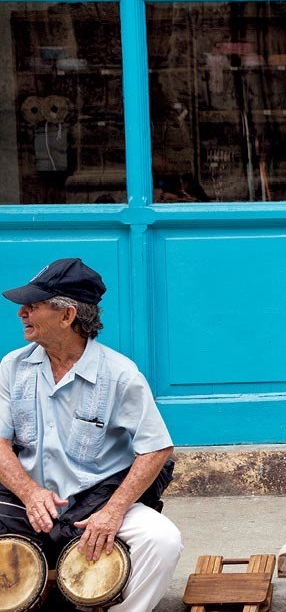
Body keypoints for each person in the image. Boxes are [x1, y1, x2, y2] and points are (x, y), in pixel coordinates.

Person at [0, 258, 183, 611]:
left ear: (67, 316)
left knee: (162, 540)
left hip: (95, 502)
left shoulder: (120, 374)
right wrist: (29, 492)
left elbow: (157, 449)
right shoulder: (12, 367)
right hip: (27, 502)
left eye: (33, 306)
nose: (22, 312)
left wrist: (113, 512)